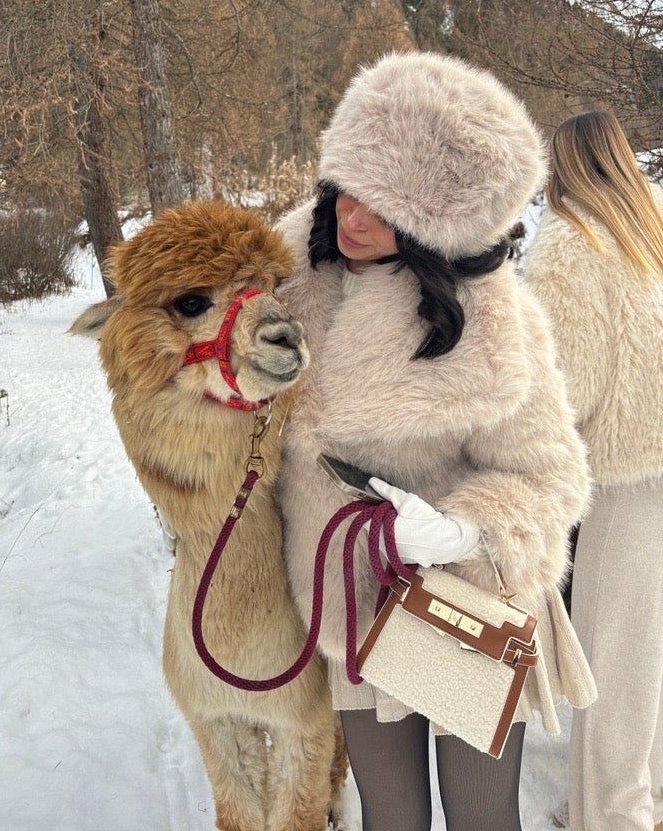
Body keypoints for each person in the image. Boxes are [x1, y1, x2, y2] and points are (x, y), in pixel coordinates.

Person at [275, 51, 597, 831]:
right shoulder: (286, 268)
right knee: (391, 818)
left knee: (482, 818)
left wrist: (463, 530)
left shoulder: (495, 320)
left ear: (437, 224)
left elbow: (550, 478)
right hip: (349, 601)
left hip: (461, 605)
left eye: (384, 207)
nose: (352, 216)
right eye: (347, 188)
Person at [524, 110, 663, 831]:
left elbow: (562, 388)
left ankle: (613, 816)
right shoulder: (654, 231)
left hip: (624, 480)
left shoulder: (570, 248)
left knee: (614, 663)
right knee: (654, 655)